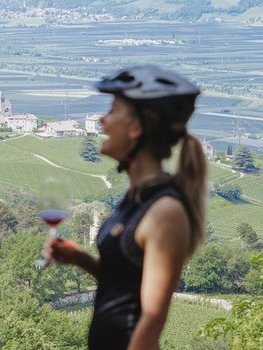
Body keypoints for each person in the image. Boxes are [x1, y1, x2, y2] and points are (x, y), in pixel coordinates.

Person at [43, 65, 207, 350]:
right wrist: (81, 259)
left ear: (136, 128)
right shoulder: (138, 198)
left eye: (112, 111)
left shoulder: (164, 211)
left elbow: (151, 320)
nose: (102, 120)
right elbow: (125, 284)